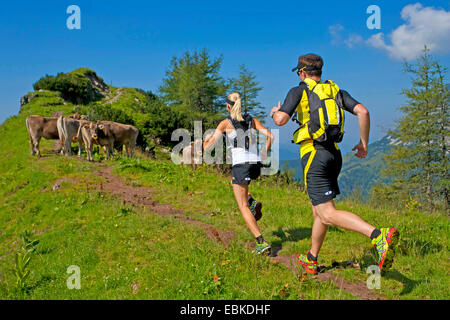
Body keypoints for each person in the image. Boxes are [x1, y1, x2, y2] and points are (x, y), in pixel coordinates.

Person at [270, 53, 399, 274]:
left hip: (314, 155)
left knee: (327, 213)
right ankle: (312, 258)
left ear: (301, 72)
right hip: (334, 154)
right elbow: (363, 111)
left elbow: (281, 120)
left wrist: (275, 112)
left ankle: (379, 236)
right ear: (319, 73)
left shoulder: (298, 90)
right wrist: (363, 143)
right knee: (319, 210)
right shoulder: (335, 91)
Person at [203, 92, 274, 254]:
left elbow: (208, 147)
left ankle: (261, 242)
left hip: (241, 164)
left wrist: (204, 143)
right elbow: (270, 136)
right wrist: (264, 154)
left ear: (228, 106)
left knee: (242, 206)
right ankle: (253, 202)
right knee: (235, 184)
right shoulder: (251, 119)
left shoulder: (225, 123)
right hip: (255, 163)